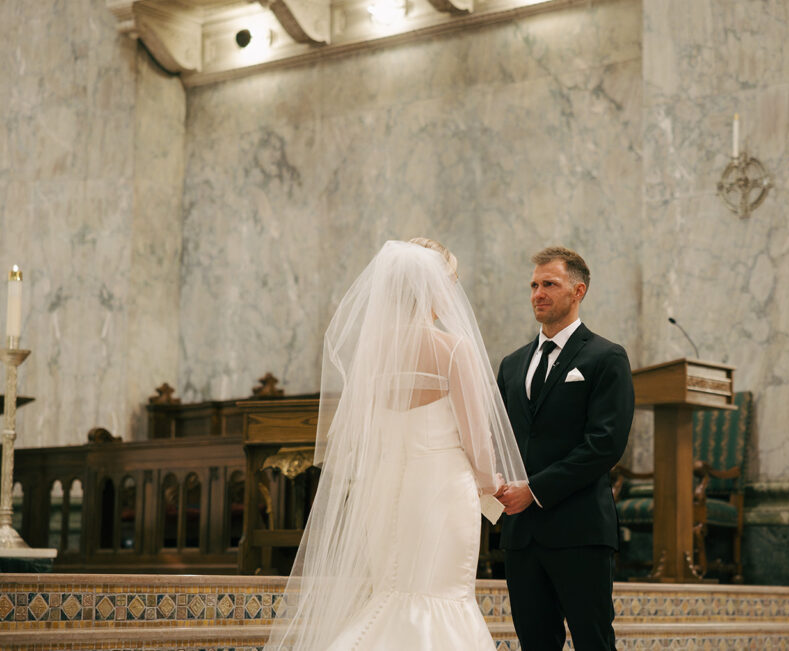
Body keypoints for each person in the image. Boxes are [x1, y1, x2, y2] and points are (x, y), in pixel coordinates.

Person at [265, 238, 527, 650]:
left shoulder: (374, 353)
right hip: (441, 490)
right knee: (440, 595)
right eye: (450, 283)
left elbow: (364, 433)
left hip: (384, 488)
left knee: (392, 591)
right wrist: (491, 485)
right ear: (434, 288)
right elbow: (477, 441)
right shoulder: (453, 348)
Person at [495, 246, 634, 651]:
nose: (538, 292)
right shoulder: (511, 364)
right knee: (535, 644)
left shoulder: (606, 357)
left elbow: (604, 444)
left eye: (549, 284)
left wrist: (534, 490)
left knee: (593, 642)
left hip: (579, 529)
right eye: (534, 285)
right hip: (521, 535)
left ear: (579, 290)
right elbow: (500, 436)